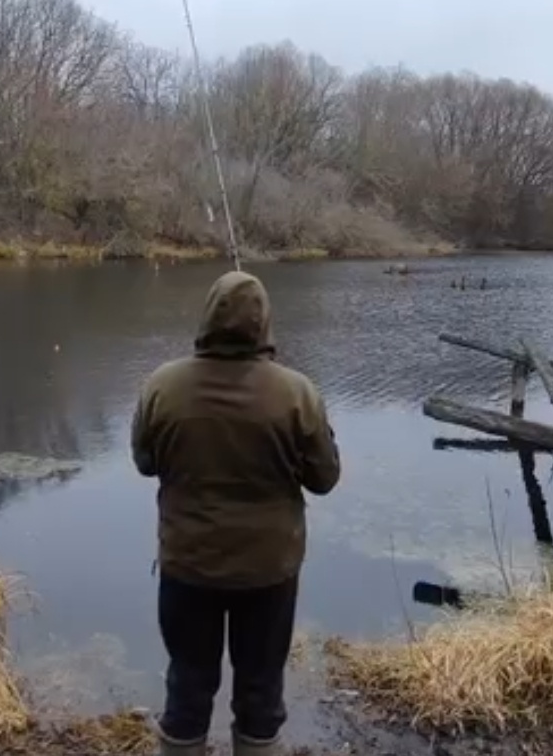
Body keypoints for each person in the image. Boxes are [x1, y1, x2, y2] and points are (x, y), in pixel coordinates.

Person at [131, 269, 342, 756]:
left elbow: (144, 464)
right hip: (268, 571)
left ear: (206, 317)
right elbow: (324, 479)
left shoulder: (161, 385)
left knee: (187, 685)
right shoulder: (297, 392)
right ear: (265, 325)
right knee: (260, 689)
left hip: (188, 565)